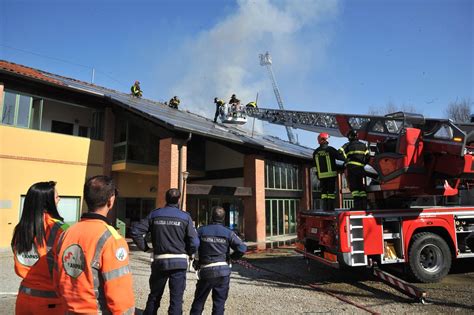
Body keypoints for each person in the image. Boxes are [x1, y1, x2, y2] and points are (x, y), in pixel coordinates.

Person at [55, 176, 135, 314]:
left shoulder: (66, 232)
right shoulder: (112, 239)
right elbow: (120, 294)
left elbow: (57, 277)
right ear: (111, 200)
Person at [131, 188, 199, 315]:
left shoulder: (155, 214)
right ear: (179, 200)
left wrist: (145, 248)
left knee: (155, 295)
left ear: (165, 199)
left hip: (159, 262)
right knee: (176, 299)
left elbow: (135, 232)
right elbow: (194, 242)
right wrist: (190, 253)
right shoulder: (185, 217)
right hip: (179, 263)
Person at [11, 181, 68, 315]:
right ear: (47, 202)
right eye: (56, 197)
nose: (59, 200)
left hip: (23, 299)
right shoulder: (60, 228)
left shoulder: (20, 229)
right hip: (50, 303)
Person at [190, 206, 247, 315]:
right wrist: (232, 258)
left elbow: (193, 245)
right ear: (224, 218)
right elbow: (242, 248)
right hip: (223, 272)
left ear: (211, 217)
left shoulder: (201, 231)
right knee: (219, 304)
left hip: (206, 271)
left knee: (199, 302)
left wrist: (195, 259)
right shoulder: (228, 232)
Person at [313, 133, 345, 211]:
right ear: (324, 140)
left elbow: (314, 165)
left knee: (324, 193)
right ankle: (330, 208)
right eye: (327, 139)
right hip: (331, 175)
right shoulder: (330, 149)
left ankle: (325, 208)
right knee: (330, 193)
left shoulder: (315, 152)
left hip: (321, 177)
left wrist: (317, 174)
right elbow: (340, 157)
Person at [339, 130, 370, 210]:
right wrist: (363, 163)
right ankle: (364, 205)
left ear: (350, 137)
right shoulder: (363, 145)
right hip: (360, 168)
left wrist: (346, 160)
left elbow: (340, 151)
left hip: (352, 168)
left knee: (354, 187)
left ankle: (357, 206)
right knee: (361, 187)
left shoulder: (348, 145)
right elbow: (368, 157)